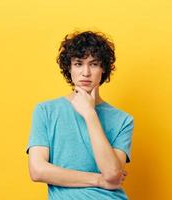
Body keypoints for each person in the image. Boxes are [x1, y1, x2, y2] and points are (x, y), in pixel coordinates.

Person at [25, 30, 135, 199]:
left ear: (103, 68)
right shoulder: (45, 111)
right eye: (78, 64)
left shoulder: (123, 120)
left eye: (93, 64)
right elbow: (37, 170)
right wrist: (98, 180)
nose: (86, 72)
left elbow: (112, 174)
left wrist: (90, 114)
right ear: (69, 68)